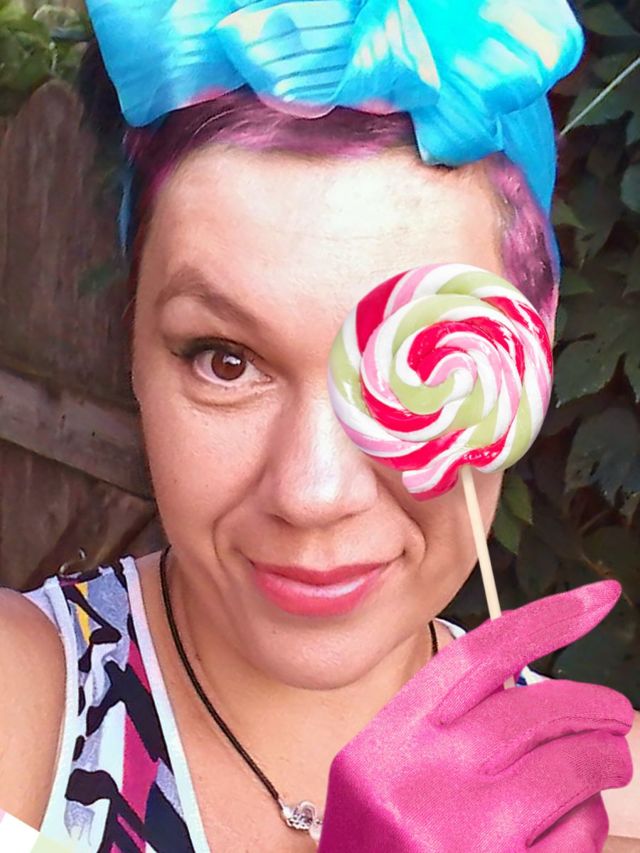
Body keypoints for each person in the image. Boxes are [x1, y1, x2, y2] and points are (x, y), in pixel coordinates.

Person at [0, 1, 638, 851]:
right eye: (225, 359)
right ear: (134, 349)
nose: (312, 494)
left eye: (422, 363)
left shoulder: (614, 806)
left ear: (526, 356)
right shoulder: (18, 712)